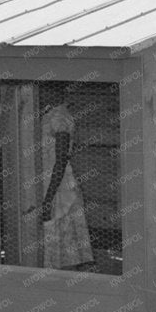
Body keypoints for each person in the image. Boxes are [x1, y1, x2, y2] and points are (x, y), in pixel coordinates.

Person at [40, 102, 93, 269]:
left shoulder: (59, 116)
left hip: (58, 184)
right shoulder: (47, 114)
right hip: (48, 181)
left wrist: (49, 198)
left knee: (61, 238)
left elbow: (61, 159)